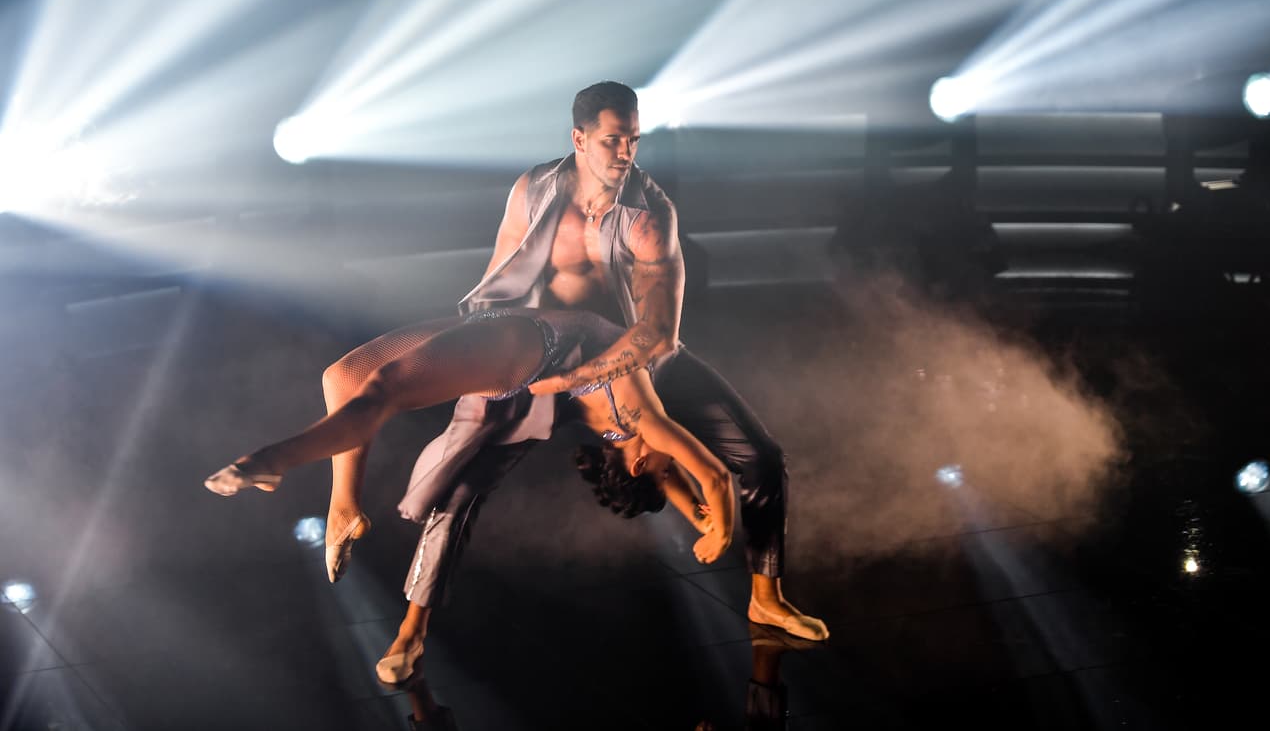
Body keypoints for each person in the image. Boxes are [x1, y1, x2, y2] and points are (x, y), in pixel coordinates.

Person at [352, 81, 826, 684]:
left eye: (632, 138)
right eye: (611, 140)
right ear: (579, 139)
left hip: (632, 360)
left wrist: (583, 377)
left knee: (760, 457)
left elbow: (655, 332)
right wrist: (499, 363)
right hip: (540, 358)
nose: (625, 151)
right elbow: (498, 283)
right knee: (460, 487)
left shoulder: (650, 214)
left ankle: (767, 595)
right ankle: (409, 634)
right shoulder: (533, 190)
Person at [204, 306, 738, 574]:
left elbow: (712, 476)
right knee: (341, 379)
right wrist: (702, 518)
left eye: (670, 472)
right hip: (506, 325)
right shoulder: (634, 437)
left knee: (384, 391)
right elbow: (682, 484)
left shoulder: (646, 421)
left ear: (643, 462)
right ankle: (344, 506)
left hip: (527, 345)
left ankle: (273, 459)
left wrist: (719, 532)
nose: (677, 468)